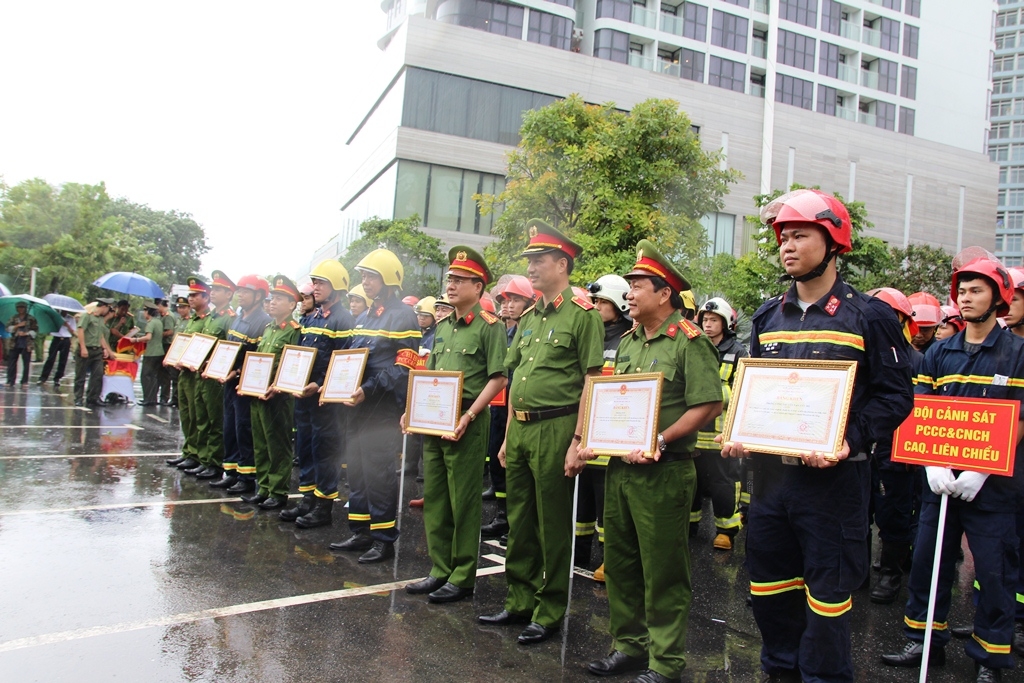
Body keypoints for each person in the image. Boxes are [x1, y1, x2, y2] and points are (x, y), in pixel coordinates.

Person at [719, 189, 914, 683]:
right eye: (783, 236)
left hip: (834, 487)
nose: (787, 244)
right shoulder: (767, 317)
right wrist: (740, 430)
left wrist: (851, 439)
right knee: (768, 594)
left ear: (834, 242)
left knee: (827, 606)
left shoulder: (869, 316)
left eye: (800, 234)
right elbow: (751, 391)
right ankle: (780, 674)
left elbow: (895, 397)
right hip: (770, 485)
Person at [580, 240, 723, 683]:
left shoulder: (689, 342)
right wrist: (591, 436)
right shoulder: (628, 342)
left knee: (662, 569)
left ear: (664, 294)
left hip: (665, 470)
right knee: (620, 563)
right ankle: (629, 646)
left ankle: (665, 662)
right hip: (621, 467)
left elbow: (709, 404)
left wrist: (660, 437)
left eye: (638, 285)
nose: (630, 293)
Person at [882, 255, 1024, 683]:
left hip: (993, 486)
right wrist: (931, 463)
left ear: (998, 298)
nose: (965, 297)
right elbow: (919, 410)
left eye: (976, 290)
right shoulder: (940, 352)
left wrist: (983, 468)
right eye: (961, 290)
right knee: (928, 561)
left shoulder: (1018, 353)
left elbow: (1020, 417)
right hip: (940, 482)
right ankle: (925, 641)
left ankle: (990, 656)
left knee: (995, 570)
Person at [477, 220, 604, 645]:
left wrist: (578, 440)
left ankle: (549, 611)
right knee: (520, 519)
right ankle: (519, 600)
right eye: (529, 261)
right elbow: (516, 379)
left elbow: (591, 379)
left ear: (562, 264)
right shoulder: (530, 317)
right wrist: (510, 434)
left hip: (557, 427)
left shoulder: (582, 315)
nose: (530, 268)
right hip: (525, 429)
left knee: (552, 523)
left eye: (538, 260)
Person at [404, 246, 508, 603]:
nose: (451, 284)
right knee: (435, 496)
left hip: (467, 419)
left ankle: (462, 575)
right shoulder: (443, 326)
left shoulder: (489, 326)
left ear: (478, 287)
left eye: (460, 280)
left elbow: (498, 379)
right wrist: (411, 408)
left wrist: (469, 416)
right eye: (450, 278)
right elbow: (430, 373)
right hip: (435, 419)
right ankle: (439, 568)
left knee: (463, 500)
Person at [330, 248, 421, 563]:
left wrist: (368, 389)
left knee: (378, 472)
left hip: (381, 409)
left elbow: (403, 367)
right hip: (355, 406)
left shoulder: (404, 315)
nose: (365, 281)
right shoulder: (364, 314)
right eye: (364, 276)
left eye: (371, 276)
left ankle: (383, 539)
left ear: (388, 279)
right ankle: (361, 531)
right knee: (355, 467)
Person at [279, 260, 355, 524]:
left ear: (336, 287)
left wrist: (321, 385)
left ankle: (323, 506)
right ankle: (307, 500)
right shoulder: (310, 317)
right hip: (304, 397)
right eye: (315, 283)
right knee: (306, 448)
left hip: (326, 400)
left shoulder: (342, 319)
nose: (315, 288)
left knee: (326, 451)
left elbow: (344, 361)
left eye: (321, 283)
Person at [865, 288, 924, 605]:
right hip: (863, 450)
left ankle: (890, 574)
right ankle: (857, 569)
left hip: (898, 453)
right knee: (860, 513)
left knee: (893, 516)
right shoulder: (861, 356)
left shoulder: (917, 361)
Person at [573, 274, 632, 577]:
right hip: (587, 429)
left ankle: (610, 558)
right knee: (582, 499)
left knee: (607, 501)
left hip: (612, 432)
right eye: (593, 301)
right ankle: (579, 553)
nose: (595, 306)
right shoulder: (592, 335)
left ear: (620, 303)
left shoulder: (628, 339)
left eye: (601, 302)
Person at [481, 275, 535, 540]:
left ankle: (515, 520)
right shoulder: (505, 332)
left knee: (516, 467)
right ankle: (502, 515)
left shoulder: (532, 331)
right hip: (500, 405)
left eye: (516, 300)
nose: (509, 305)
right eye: (506, 300)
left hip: (519, 406)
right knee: (497, 459)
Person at [693, 296, 747, 551]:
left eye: (714, 320)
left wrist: (711, 396)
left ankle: (726, 530)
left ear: (726, 324)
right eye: (705, 320)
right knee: (692, 484)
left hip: (721, 434)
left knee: (723, 484)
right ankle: (689, 525)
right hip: (693, 433)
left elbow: (743, 390)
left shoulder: (737, 352)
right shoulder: (695, 346)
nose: (708, 325)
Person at [242, 275, 302, 509]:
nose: (273, 302)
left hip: (278, 397)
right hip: (257, 394)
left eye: (280, 298)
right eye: (273, 297)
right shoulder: (268, 329)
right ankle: (264, 487)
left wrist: (275, 386)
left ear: (292, 304)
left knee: (277, 443)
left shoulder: (294, 331)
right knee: (260, 442)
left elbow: (292, 365)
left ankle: (277, 492)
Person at [208, 275, 271, 493]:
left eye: (246, 291)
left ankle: (246, 477)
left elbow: (259, 358)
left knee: (244, 428)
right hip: (229, 382)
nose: (240, 294)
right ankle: (232, 470)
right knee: (230, 427)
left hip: (245, 383)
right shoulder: (238, 317)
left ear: (259, 295)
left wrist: (236, 372)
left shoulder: (262, 321)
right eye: (240, 290)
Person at [187, 271, 236, 481]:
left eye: (218, 290)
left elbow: (230, 350)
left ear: (228, 294)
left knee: (215, 421)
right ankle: (202, 457)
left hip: (215, 378)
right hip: (199, 373)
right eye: (213, 289)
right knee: (201, 417)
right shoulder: (211, 318)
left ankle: (214, 462)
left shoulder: (229, 319)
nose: (213, 293)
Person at [173, 277, 213, 473]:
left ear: (206, 297)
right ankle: (189, 451)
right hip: (184, 372)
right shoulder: (192, 320)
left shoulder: (207, 321)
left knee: (199, 417)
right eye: (189, 295)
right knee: (186, 414)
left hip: (197, 373)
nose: (190, 299)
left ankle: (199, 454)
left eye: (195, 295)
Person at [405, 295, 438, 507]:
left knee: (430, 438)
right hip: (419, 387)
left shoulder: (436, 335)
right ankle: (413, 466)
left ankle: (429, 481)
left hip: (434, 390)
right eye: (419, 315)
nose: (421, 319)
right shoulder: (421, 334)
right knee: (417, 434)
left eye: (425, 316)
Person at [73, 298, 115, 407]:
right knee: (80, 375)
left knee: (98, 375)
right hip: (86, 349)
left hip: (97, 351)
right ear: (104, 306)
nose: (109, 311)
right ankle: (78, 397)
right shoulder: (87, 316)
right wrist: (83, 347)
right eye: (109, 308)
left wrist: (105, 348)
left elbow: (100, 335)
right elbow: (81, 331)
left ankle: (93, 397)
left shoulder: (101, 319)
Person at [135, 303, 165, 405]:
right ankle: (153, 398)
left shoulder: (151, 323)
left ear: (148, 312)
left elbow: (148, 337)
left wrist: (136, 339)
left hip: (151, 352)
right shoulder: (159, 322)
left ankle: (148, 398)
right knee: (154, 376)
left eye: (145, 311)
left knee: (146, 376)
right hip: (160, 351)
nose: (144, 313)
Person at [37, 311, 75, 388]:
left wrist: (67, 325)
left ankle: (58, 378)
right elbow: (50, 328)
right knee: (51, 358)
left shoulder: (71, 318)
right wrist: (58, 323)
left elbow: (73, 331)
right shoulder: (56, 316)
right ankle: (43, 378)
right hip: (56, 338)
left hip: (66, 339)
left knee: (63, 360)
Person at [5, 302, 38, 387]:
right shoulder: (13, 318)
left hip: (26, 344)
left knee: (26, 363)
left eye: (22, 307)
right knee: (12, 362)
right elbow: (8, 329)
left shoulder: (31, 319)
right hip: (14, 343)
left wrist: (26, 333)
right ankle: (10, 380)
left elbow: (35, 331)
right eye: (19, 307)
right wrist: (18, 326)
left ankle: (24, 381)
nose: (21, 309)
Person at [156, 299, 176, 405]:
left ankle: (165, 397)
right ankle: (163, 396)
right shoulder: (162, 316)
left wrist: (158, 334)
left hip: (167, 345)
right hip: (163, 345)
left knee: (166, 373)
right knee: (162, 373)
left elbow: (170, 331)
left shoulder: (168, 316)